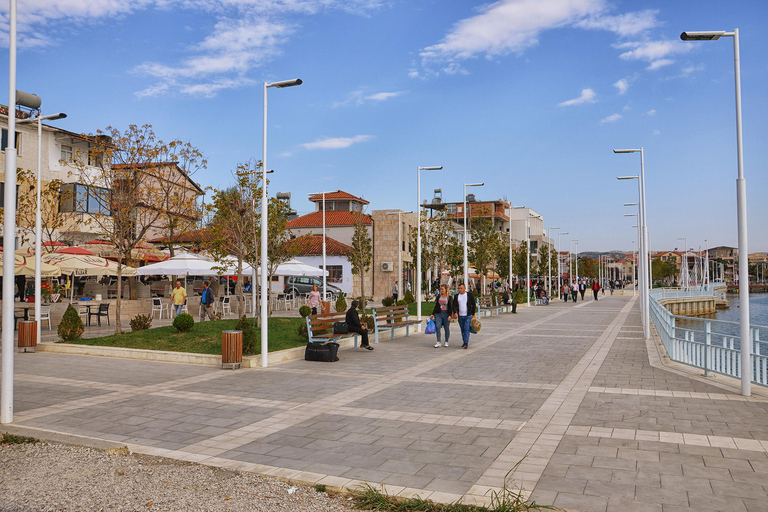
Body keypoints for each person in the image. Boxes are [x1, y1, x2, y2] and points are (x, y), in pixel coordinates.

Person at [452, 283, 476, 349]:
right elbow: (454, 305)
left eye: (461, 288)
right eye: (459, 288)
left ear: (465, 288)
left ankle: (466, 342)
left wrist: (473, 314)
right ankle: (464, 341)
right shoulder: (457, 296)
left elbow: (473, 304)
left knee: (466, 328)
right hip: (460, 316)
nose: (460, 290)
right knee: (462, 329)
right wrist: (455, 312)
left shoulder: (469, 295)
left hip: (468, 315)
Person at [430, 284, 454, 348]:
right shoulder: (439, 296)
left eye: (443, 289)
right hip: (439, 313)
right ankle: (438, 341)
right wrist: (433, 314)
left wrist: (450, 315)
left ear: (446, 290)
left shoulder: (449, 298)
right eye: (441, 289)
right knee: (438, 326)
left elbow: (451, 307)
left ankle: (446, 341)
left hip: (446, 313)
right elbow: (436, 306)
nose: (442, 290)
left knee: (446, 327)